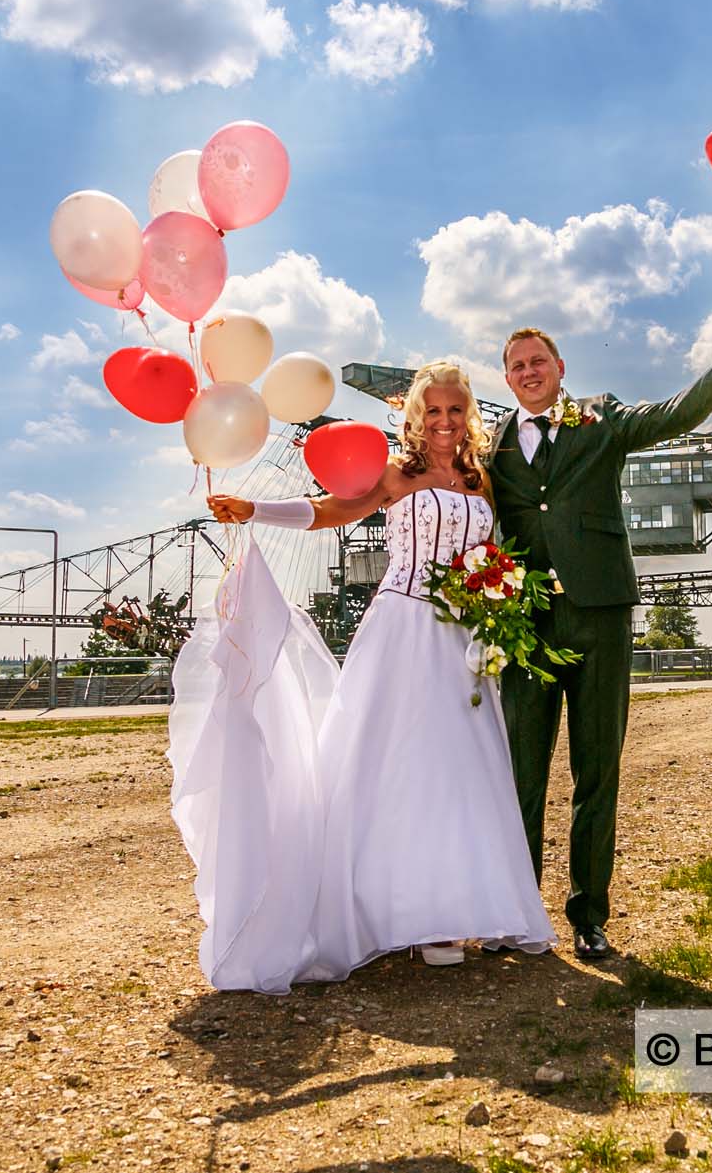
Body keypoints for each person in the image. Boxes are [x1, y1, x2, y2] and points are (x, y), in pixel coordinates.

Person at [172, 361, 554, 994]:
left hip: (464, 638)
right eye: (432, 411)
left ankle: (462, 908)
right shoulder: (393, 475)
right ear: (415, 417)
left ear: (469, 418)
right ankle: (395, 913)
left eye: (455, 410)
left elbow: (496, 551)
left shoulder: (482, 480)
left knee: (460, 770)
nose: (444, 421)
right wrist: (255, 508)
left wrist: (496, 598)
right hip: (403, 628)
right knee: (392, 763)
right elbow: (329, 512)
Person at [487, 322, 712, 961]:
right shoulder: (495, 445)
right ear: (506, 379)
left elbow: (671, 415)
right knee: (520, 775)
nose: (529, 372)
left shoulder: (601, 419)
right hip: (525, 625)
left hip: (601, 615)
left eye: (539, 360)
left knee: (598, 770)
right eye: (517, 366)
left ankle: (589, 916)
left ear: (560, 366)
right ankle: (517, 912)